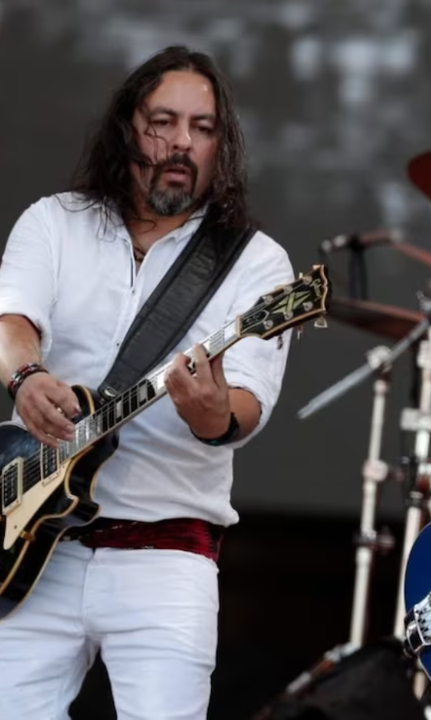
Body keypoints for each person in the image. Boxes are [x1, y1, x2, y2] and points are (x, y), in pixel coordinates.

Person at [0, 46, 293, 718]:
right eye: (163, 122)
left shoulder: (257, 263)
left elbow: (246, 407)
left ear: (221, 146)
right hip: (33, 550)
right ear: (127, 128)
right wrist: (26, 377)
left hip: (166, 557)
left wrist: (210, 410)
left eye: (202, 128)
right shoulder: (55, 221)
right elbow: (10, 321)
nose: (181, 142)